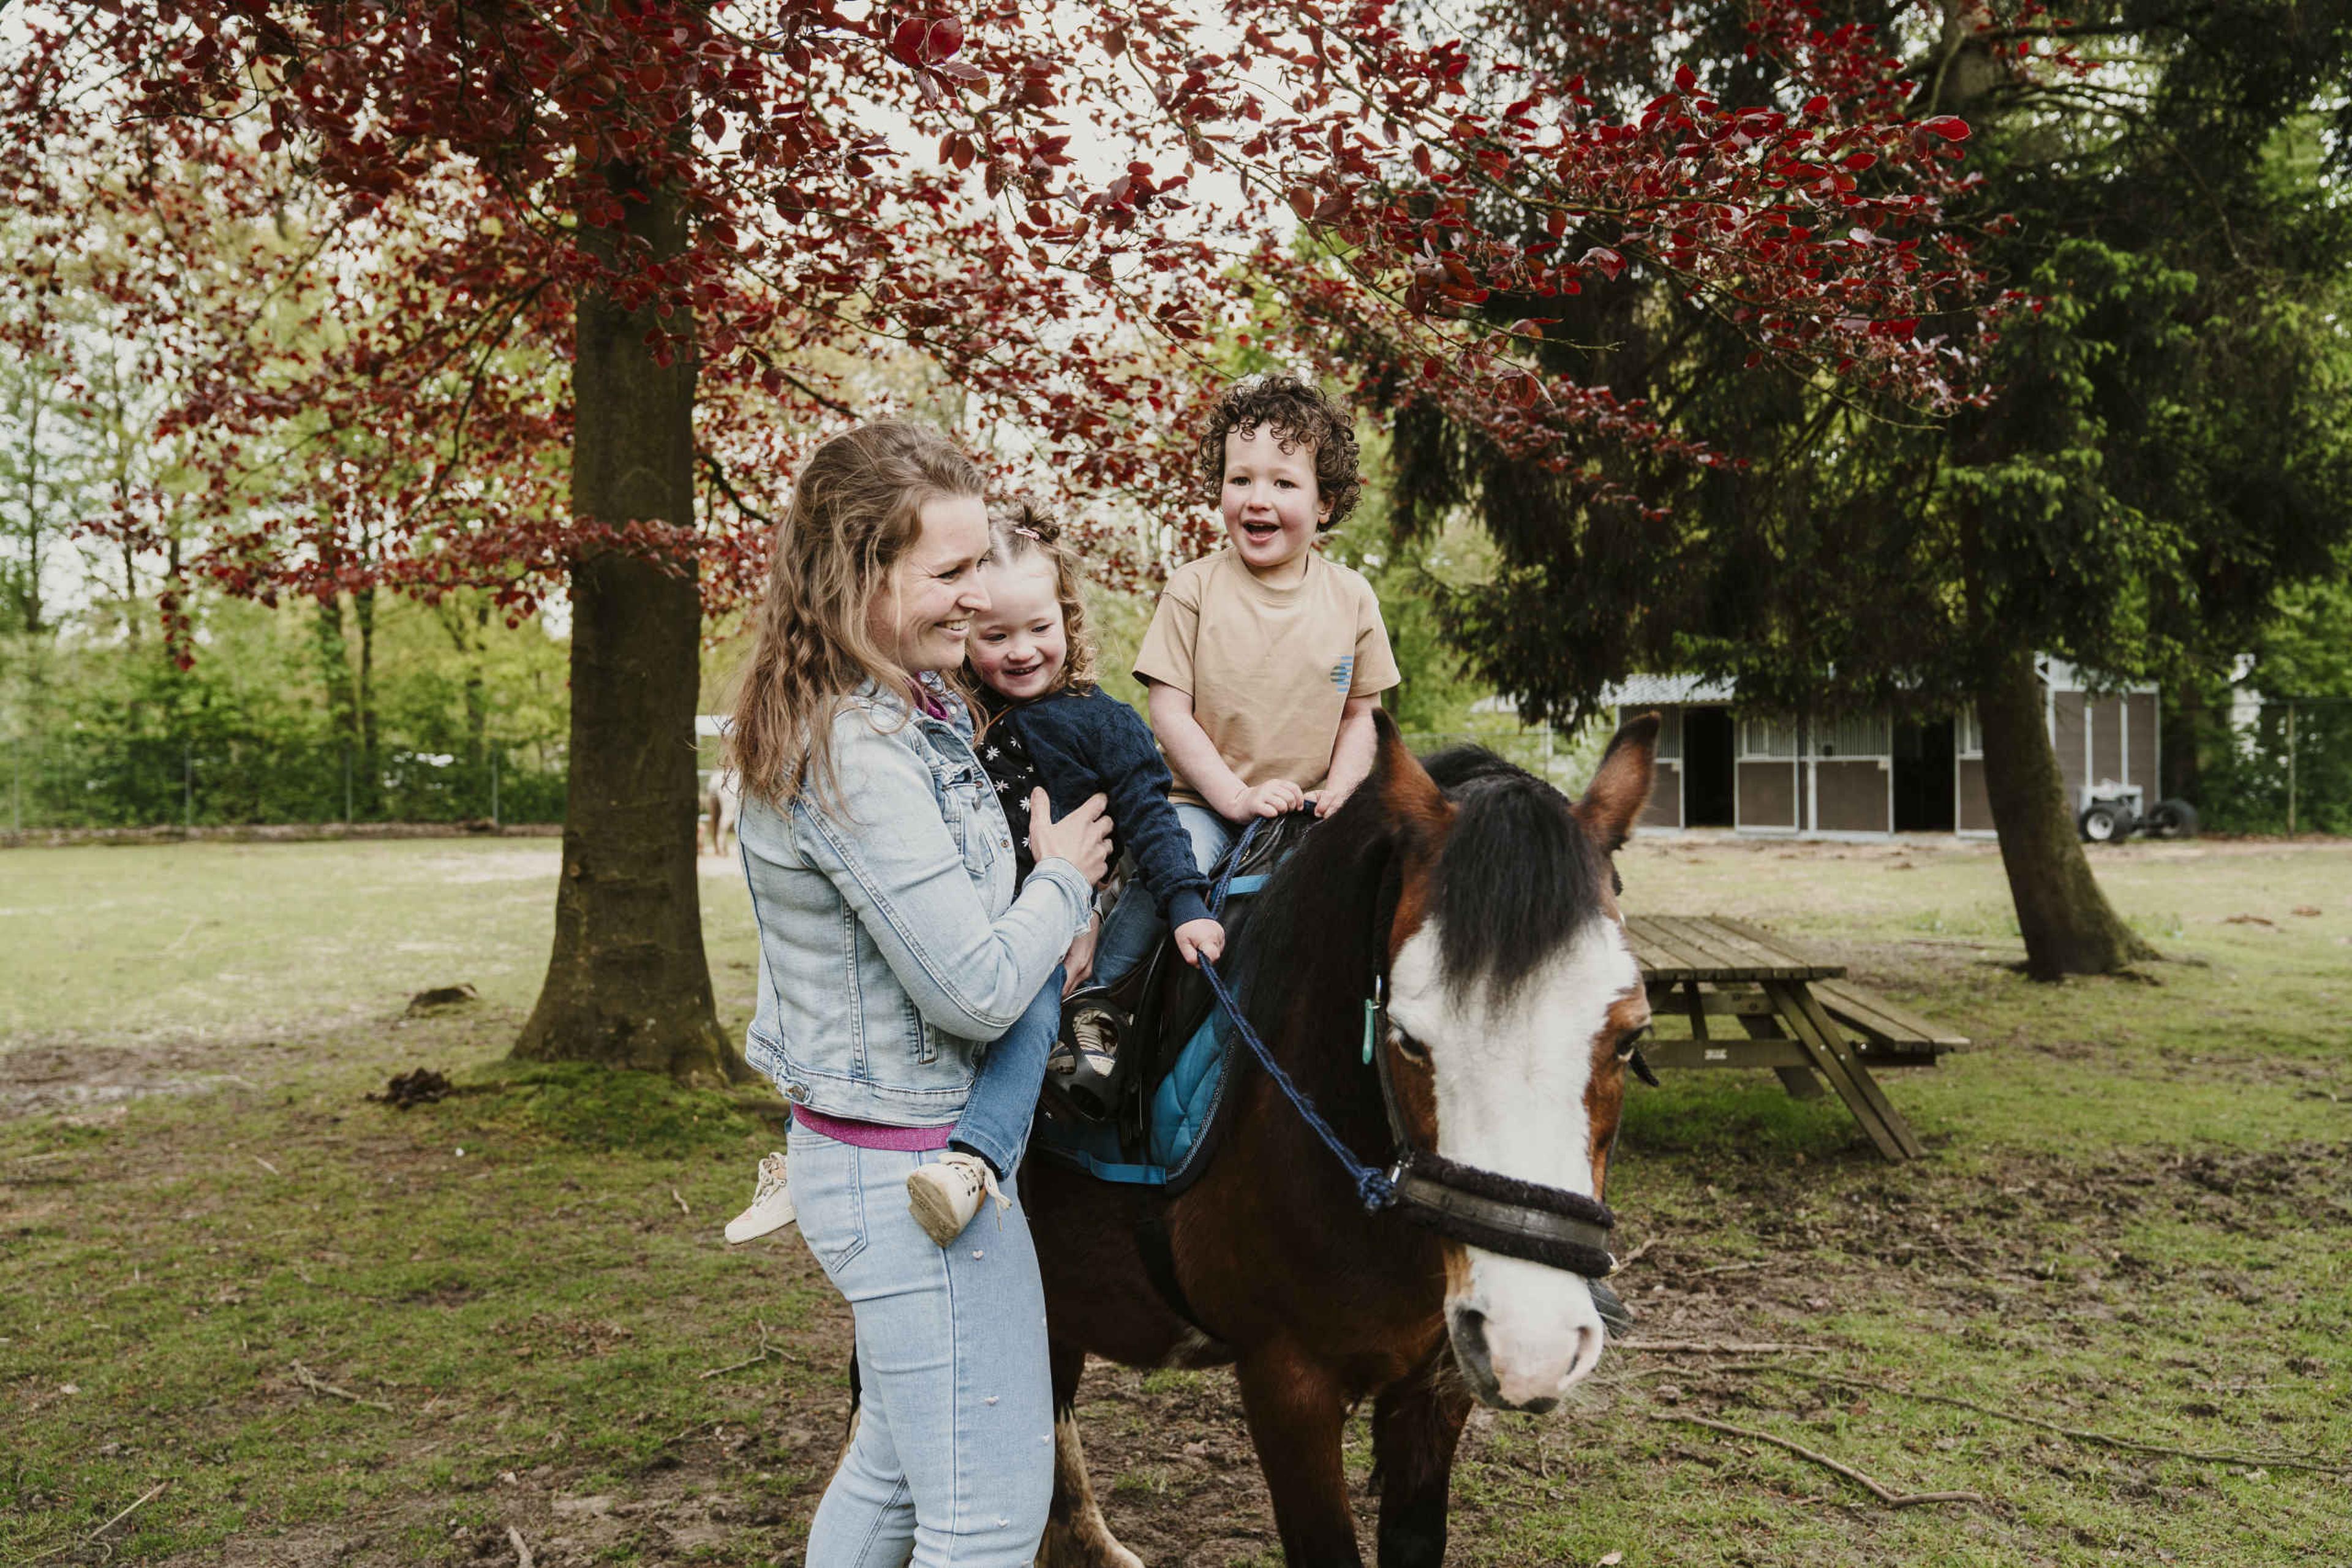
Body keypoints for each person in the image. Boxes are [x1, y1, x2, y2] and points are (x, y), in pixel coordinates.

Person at [725, 420, 1113, 1566]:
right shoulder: (852, 749)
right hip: (911, 1179)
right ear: (859, 575)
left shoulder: (917, 709)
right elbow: (981, 991)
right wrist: (1064, 886)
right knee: (986, 1521)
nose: (979, 595)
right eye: (950, 572)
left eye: (982, 561)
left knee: (891, 1478)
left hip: (895, 1158)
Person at [902, 502, 1227, 1246]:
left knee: (1035, 1014)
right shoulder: (954, 711)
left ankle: (975, 1159)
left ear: (1067, 618)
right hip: (959, 911)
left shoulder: (1103, 722)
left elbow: (1152, 815)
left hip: (1043, 926)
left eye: (1039, 628)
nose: (1020, 651)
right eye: (996, 636)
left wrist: (1185, 902)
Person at [1135, 372, 1401, 875]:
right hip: (1202, 804)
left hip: (1308, 813)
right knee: (1169, 876)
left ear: (1324, 503)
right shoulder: (1193, 589)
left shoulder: (1352, 598)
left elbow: (1361, 714)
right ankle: (1109, 952)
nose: (1258, 498)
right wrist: (1235, 797)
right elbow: (1169, 712)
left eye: (1283, 482)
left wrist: (1340, 793)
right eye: (1241, 480)